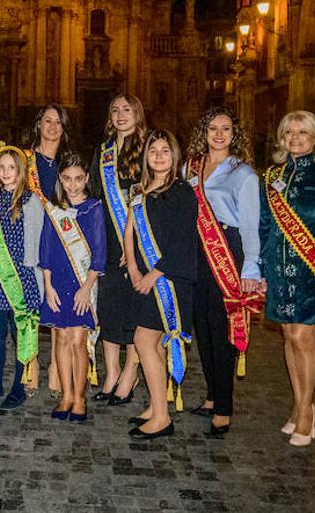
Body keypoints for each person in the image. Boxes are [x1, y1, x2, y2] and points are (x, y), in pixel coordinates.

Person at [260, 110, 315, 447]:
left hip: (313, 271)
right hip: (279, 268)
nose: (295, 138)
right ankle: (301, 406)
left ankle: (306, 414)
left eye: (302, 132)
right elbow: (266, 226)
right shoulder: (273, 176)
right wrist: (261, 269)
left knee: (303, 337)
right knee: (288, 336)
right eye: (289, 132)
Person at [183, 106, 263, 437]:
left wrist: (251, 268)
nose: (219, 134)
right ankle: (212, 395)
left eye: (225, 129)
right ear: (204, 132)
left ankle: (224, 408)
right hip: (196, 250)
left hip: (227, 251)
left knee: (221, 328)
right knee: (201, 325)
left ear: (234, 134)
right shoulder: (192, 166)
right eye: (213, 128)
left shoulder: (243, 174)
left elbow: (251, 225)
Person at [122, 130, 200, 439]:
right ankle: (156, 407)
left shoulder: (182, 192)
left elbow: (184, 240)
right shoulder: (140, 191)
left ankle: (162, 418)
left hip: (169, 279)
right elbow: (129, 232)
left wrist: (155, 274)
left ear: (175, 155)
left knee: (144, 340)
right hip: (144, 277)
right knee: (150, 344)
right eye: (152, 151)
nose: (158, 156)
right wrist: (132, 267)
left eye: (164, 150)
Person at [0, 145, 44, 411]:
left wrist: (34, 277)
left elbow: (36, 240)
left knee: (21, 334)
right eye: (1, 167)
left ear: (20, 170)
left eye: (11, 167)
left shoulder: (30, 200)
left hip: (21, 278)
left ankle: (19, 387)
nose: (5, 172)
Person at [39, 153, 107, 423]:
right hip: (57, 282)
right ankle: (66, 394)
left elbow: (99, 253)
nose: (73, 185)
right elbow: (45, 249)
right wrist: (48, 286)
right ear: (60, 178)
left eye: (78, 179)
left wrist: (86, 288)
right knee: (62, 338)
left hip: (83, 283)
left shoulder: (94, 208)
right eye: (67, 179)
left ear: (87, 178)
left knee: (78, 341)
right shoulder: (54, 209)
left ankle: (79, 397)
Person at [89, 95, 145, 406]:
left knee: (133, 309)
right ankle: (110, 373)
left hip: (137, 238)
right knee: (109, 307)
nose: (121, 115)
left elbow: (151, 197)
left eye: (127, 109)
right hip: (108, 238)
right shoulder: (103, 151)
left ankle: (130, 372)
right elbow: (95, 194)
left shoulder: (148, 148)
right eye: (115, 110)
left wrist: (133, 243)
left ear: (137, 113)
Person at [29, 103, 72, 398]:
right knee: (32, 305)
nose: (53, 127)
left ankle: (56, 369)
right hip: (32, 238)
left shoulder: (69, 164)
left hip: (60, 241)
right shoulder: (26, 160)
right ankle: (30, 366)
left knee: (57, 306)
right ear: (39, 125)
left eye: (58, 122)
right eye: (48, 121)